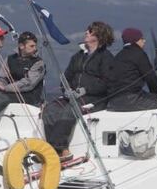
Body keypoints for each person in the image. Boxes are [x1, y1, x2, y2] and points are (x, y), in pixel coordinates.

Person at [42, 21, 116, 161]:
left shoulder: (106, 58)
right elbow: (66, 76)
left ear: (99, 36)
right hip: (72, 95)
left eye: (90, 31)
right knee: (49, 109)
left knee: (70, 110)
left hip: (93, 97)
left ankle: (60, 149)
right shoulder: (78, 56)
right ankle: (53, 149)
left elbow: (107, 83)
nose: (86, 33)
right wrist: (66, 89)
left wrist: (85, 90)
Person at [107, 28, 157, 111]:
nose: (144, 41)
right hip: (131, 100)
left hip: (113, 102)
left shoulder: (118, 56)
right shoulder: (139, 54)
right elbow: (150, 78)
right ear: (135, 40)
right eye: (142, 39)